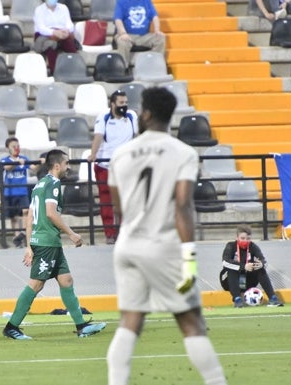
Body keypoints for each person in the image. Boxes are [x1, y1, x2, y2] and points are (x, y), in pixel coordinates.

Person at [106, 87, 226, 385]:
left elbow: (119, 207)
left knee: (130, 322)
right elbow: (182, 205)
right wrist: (190, 258)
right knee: (191, 322)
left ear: (146, 113)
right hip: (164, 247)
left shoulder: (120, 154)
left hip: (127, 246)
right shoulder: (183, 152)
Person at [2, 149, 107, 340]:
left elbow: (31, 216)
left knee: (66, 280)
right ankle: (12, 326)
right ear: (57, 165)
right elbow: (51, 213)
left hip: (47, 242)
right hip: (47, 243)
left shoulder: (39, 185)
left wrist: (28, 245)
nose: (69, 167)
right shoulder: (54, 184)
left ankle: (81, 326)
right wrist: (72, 234)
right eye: (67, 163)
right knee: (36, 284)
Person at [87, 90, 138, 245]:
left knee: (126, 200)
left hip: (125, 165)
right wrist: (93, 154)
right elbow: (98, 136)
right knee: (107, 202)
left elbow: (137, 136)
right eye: (121, 103)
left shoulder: (131, 116)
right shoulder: (104, 117)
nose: (124, 106)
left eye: (126, 103)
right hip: (105, 166)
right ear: (113, 104)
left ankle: (124, 232)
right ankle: (110, 234)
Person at [221, 224, 284, 308]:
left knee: (260, 268)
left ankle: (273, 298)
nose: (245, 241)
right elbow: (225, 262)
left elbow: (264, 261)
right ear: (237, 237)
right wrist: (243, 266)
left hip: (247, 281)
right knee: (232, 269)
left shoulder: (253, 246)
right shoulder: (230, 246)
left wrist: (261, 264)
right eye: (242, 238)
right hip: (229, 281)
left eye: (248, 239)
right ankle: (237, 299)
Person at [0, 137, 39, 248]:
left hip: (22, 191)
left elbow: (34, 168)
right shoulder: (5, 160)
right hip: (10, 192)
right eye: (13, 146)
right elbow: (7, 168)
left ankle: (25, 234)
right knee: (14, 217)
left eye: (18, 146)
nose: (16, 148)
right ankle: (17, 237)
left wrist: (41, 163)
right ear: (8, 148)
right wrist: (16, 163)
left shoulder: (24, 158)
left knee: (26, 212)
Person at [113, 0, 166, 66]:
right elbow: (118, 19)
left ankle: (156, 65)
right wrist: (123, 33)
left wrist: (157, 30)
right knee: (122, 42)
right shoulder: (121, 1)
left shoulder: (146, 1)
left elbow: (155, 17)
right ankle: (123, 66)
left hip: (144, 36)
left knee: (160, 38)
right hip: (128, 35)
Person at [33, 0, 78, 74]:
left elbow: (69, 24)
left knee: (69, 44)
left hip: (62, 33)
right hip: (45, 35)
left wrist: (67, 30)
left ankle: (77, 68)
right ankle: (54, 72)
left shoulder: (63, 8)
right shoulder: (39, 10)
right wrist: (54, 32)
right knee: (51, 46)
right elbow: (41, 28)